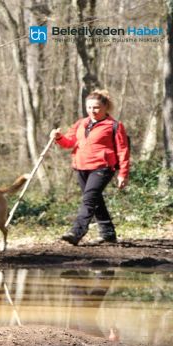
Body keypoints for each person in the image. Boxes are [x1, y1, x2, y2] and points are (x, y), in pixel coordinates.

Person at [50, 89, 130, 246]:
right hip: (80, 166)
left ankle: (76, 232)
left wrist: (123, 174)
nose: (92, 111)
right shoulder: (81, 123)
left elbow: (123, 150)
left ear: (105, 107)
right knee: (95, 200)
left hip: (103, 167)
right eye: (89, 108)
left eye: (96, 107)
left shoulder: (114, 126)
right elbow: (69, 142)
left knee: (89, 199)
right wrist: (59, 138)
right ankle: (108, 234)